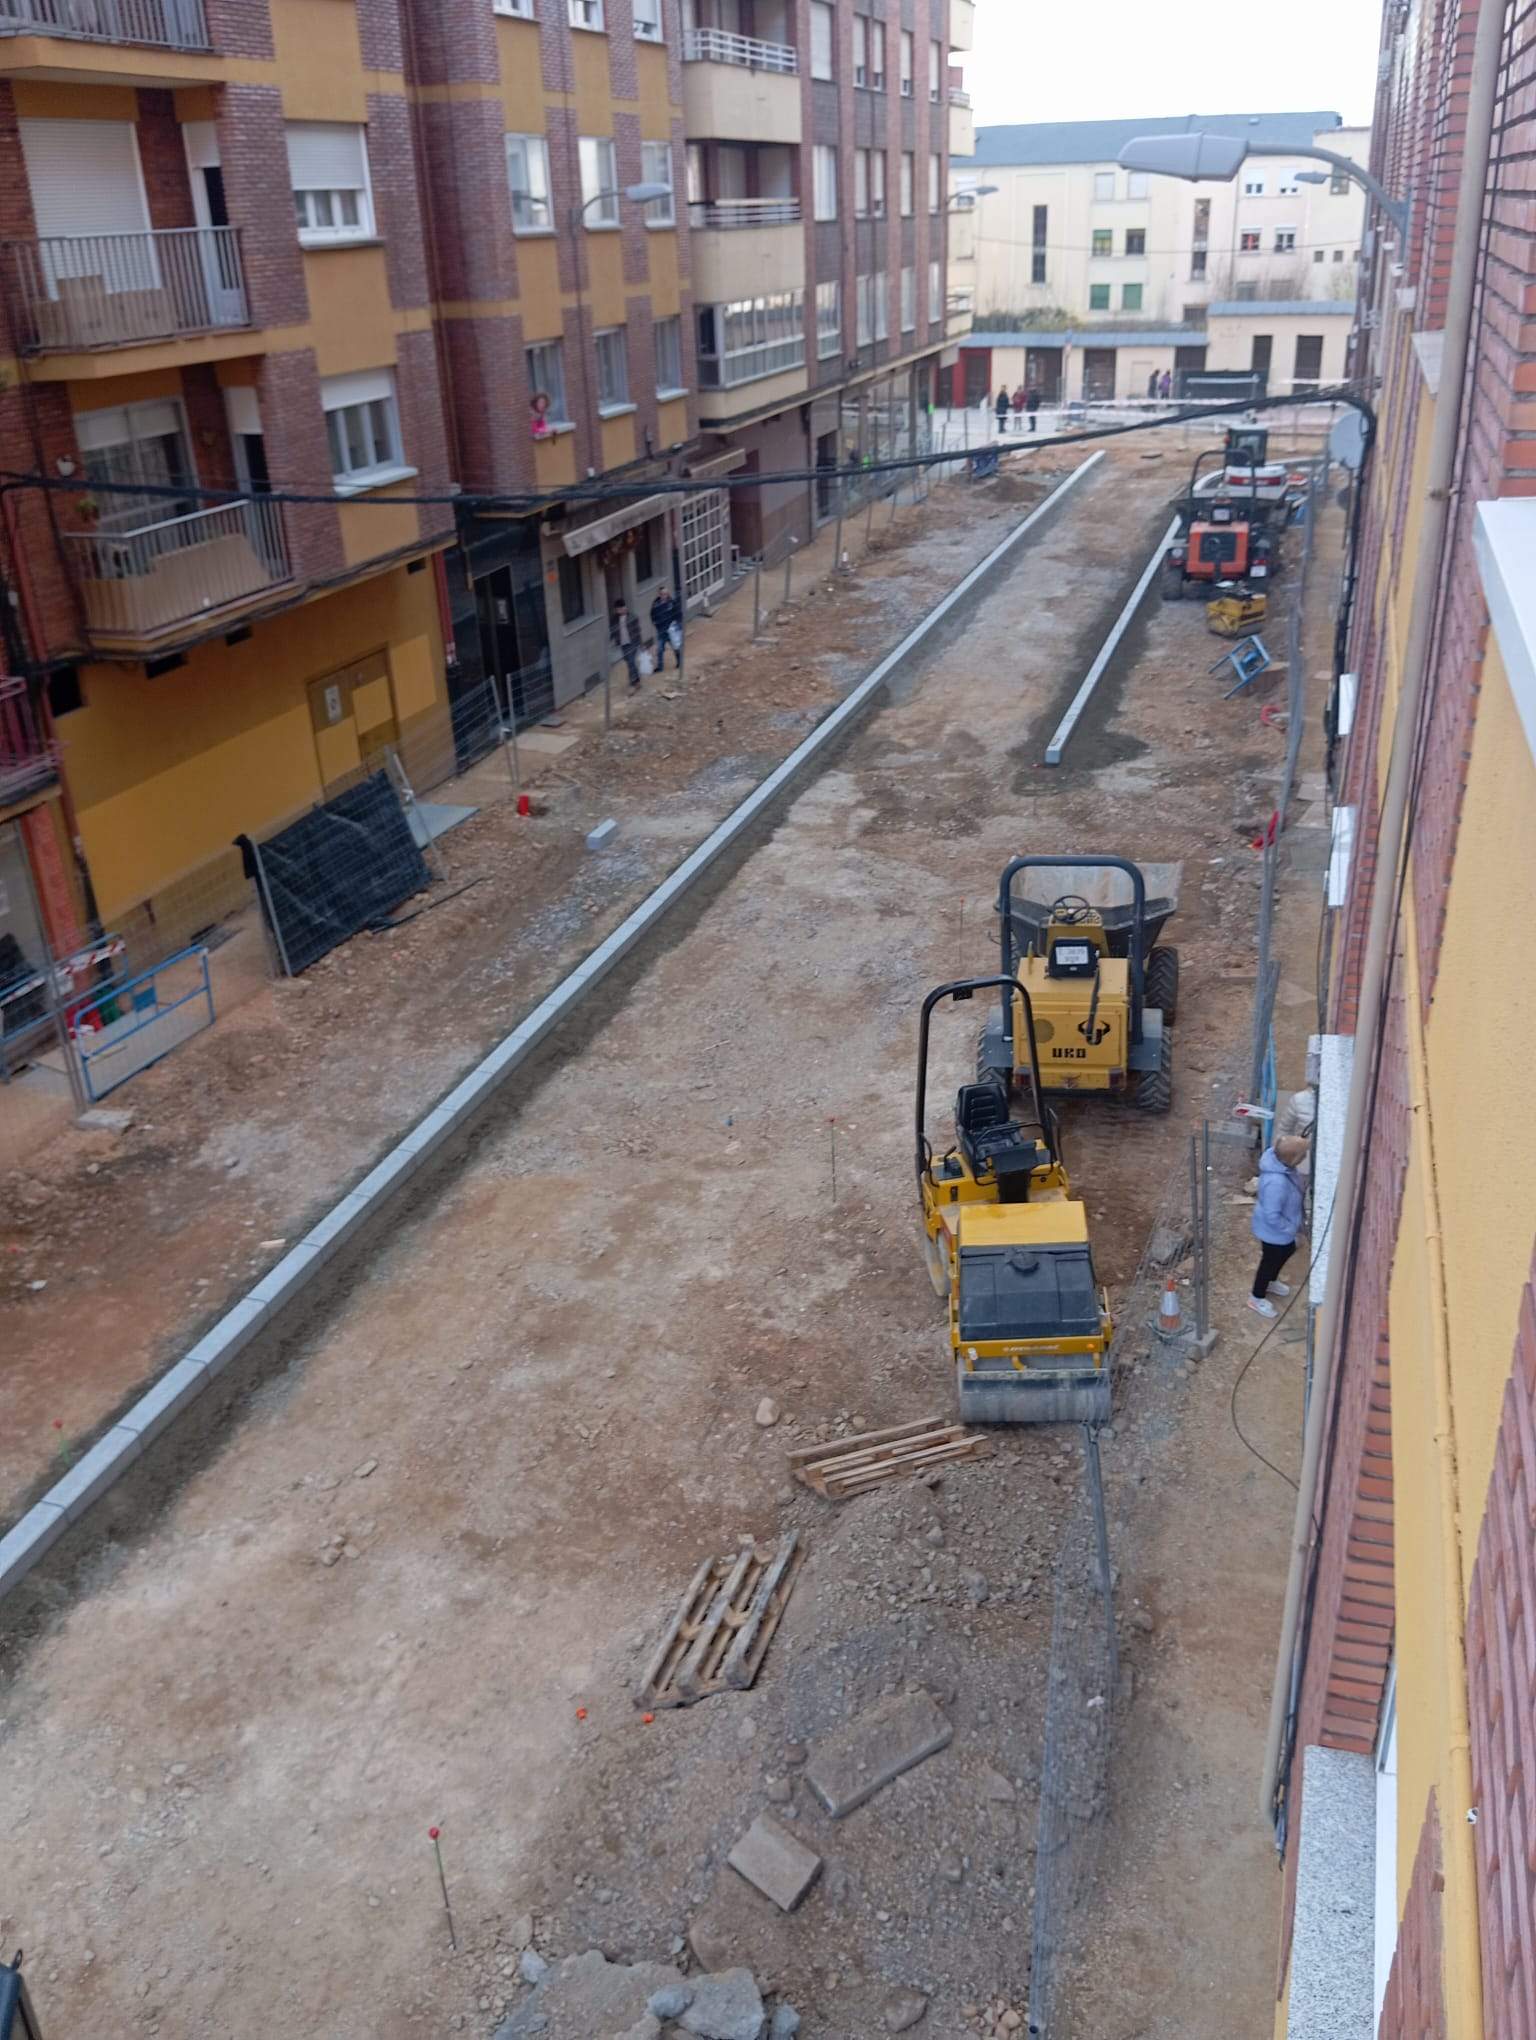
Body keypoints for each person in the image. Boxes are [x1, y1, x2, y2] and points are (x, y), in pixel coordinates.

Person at [1248, 1134, 1309, 1318]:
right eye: (1302, 1155)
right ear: (1293, 1159)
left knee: (1286, 1252)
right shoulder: (1277, 1183)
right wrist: (1291, 1228)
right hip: (1274, 1232)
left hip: (1280, 1230)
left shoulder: (1282, 1166)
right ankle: (1256, 1297)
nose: (1305, 1157)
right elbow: (1272, 1215)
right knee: (1270, 1262)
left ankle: (1271, 1281)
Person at [650, 584, 682, 670]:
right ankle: (660, 667)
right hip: (661, 631)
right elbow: (652, 615)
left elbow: (678, 614)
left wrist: (677, 625)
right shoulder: (655, 605)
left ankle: (680, 662)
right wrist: (656, 624)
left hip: (671, 630)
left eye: (666, 594)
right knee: (660, 650)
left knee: (675, 647)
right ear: (659, 594)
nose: (665, 595)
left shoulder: (672, 603)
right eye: (663, 594)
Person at [613, 597, 642, 691]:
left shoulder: (632, 617)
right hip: (623, 644)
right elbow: (613, 631)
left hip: (632, 642)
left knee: (631, 662)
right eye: (617, 610)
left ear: (623, 608)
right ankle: (637, 680)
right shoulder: (615, 619)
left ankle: (633, 683)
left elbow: (638, 631)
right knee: (629, 662)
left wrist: (640, 643)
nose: (618, 611)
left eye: (619, 609)